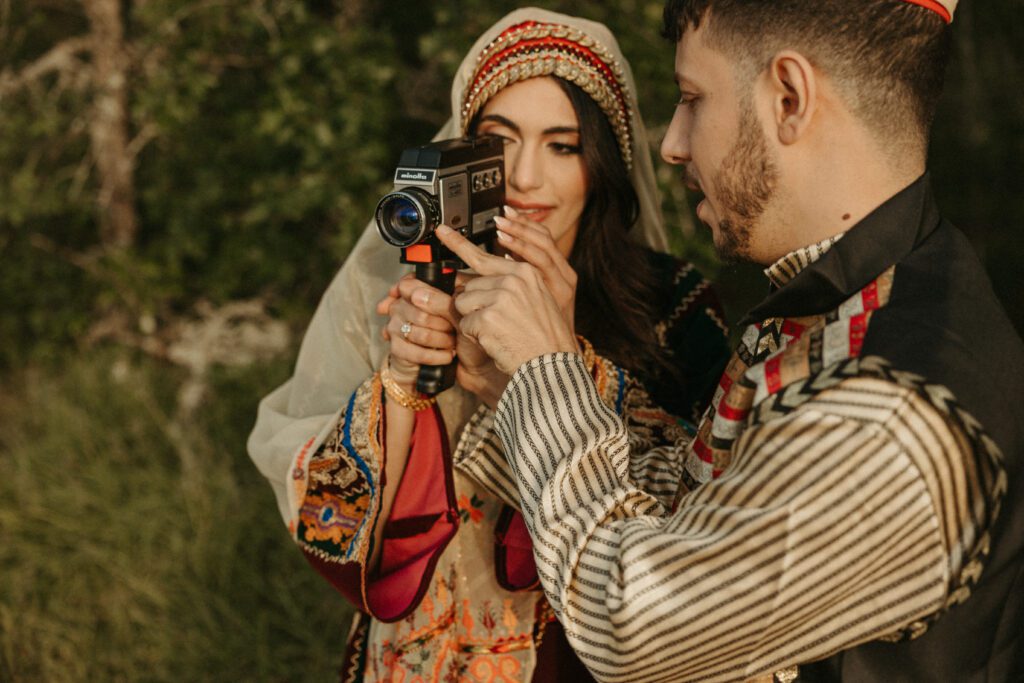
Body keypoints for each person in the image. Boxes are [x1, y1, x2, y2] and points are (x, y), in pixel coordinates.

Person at [428, 0, 1024, 681]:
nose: (673, 144)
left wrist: (546, 370)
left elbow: (632, 623)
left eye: (692, 99)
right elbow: (699, 514)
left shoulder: (886, 412)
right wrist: (511, 387)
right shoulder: (857, 295)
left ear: (789, 98)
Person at [247, 8, 730, 681]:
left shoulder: (672, 304)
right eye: (499, 141)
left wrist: (558, 360)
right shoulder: (400, 287)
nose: (525, 177)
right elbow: (333, 520)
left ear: (602, 164)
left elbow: (708, 510)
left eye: (563, 147)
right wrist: (401, 385)